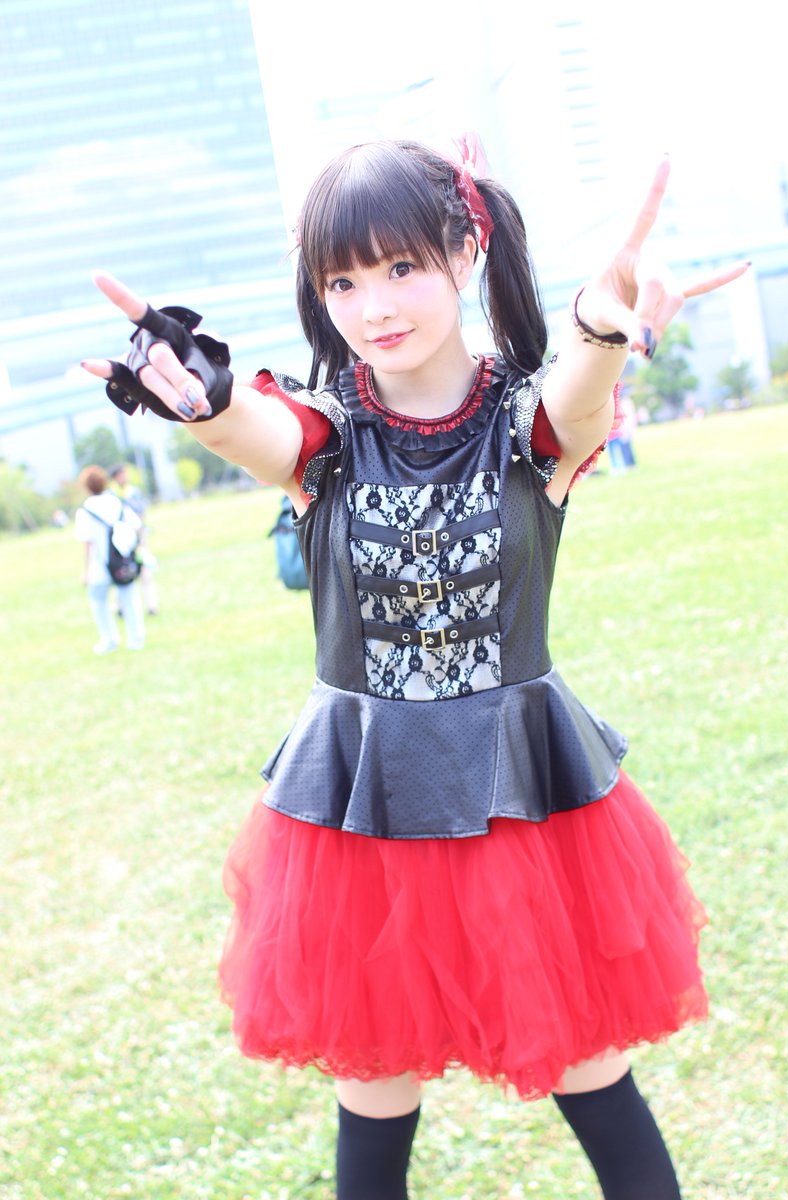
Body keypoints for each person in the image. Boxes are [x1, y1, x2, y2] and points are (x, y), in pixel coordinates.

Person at [81, 138, 747, 1199]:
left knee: (596, 1086)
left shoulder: (527, 424)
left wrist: (600, 322)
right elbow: (257, 431)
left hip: (525, 808)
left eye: (400, 267)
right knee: (373, 1112)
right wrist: (204, 401)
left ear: (466, 250)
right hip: (361, 818)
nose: (373, 306)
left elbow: (575, 402)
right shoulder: (326, 434)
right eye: (342, 281)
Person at [74, 464, 145, 653]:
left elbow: (87, 544)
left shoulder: (85, 510)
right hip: (122, 560)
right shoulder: (116, 502)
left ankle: (109, 639)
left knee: (99, 602)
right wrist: (136, 549)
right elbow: (137, 525)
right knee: (130, 599)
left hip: (99, 565)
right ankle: (136, 640)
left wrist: (85, 571)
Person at [109, 462, 160, 615]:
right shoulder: (111, 495)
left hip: (137, 536)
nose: (125, 477)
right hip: (119, 540)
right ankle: (119, 606)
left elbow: (142, 513)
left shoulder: (134, 492)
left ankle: (151, 606)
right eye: (121, 474)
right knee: (120, 571)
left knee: (145, 570)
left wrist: (141, 537)